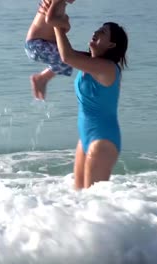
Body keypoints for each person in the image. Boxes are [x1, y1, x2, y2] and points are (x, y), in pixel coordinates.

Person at [46, 0, 128, 189]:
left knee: (94, 200)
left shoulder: (107, 68)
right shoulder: (89, 62)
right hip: (85, 137)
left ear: (111, 44)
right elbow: (59, 52)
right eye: (98, 28)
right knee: (79, 196)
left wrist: (58, 24)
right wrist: (55, 9)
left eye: (103, 32)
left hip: (103, 140)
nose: (96, 32)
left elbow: (67, 57)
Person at [25, 0, 75, 100]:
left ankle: (43, 79)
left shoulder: (60, 4)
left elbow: (55, 23)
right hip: (37, 44)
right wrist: (66, 24)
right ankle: (41, 78)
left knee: (71, 60)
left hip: (40, 44)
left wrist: (65, 23)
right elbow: (50, 20)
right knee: (67, 59)